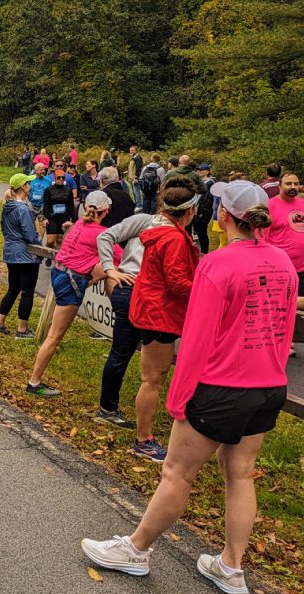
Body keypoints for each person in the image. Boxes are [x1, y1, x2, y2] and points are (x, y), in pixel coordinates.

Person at [81, 180, 296, 594]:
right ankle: (231, 566)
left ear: (224, 215)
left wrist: (179, 397)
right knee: (241, 473)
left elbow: (197, 339)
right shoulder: (284, 262)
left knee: (177, 472)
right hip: (268, 384)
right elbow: (286, 329)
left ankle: (136, 549)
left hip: (220, 385)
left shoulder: (218, 264)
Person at [127, 176, 202, 462]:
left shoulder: (164, 232)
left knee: (153, 377)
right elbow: (177, 282)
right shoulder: (173, 238)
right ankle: (144, 439)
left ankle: (147, 433)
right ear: (191, 210)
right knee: (153, 379)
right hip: (159, 313)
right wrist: (207, 287)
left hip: (151, 308)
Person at [25, 191, 119, 397]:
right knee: (54, 336)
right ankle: (34, 382)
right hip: (72, 282)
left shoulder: (78, 225)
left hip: (59, 273)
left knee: (53, 333)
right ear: (107, 210)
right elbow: (120, 259)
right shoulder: (103, 234)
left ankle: (35, 379)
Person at [95, 210, 157, 429]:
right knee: (129, 355)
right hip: (132, 288)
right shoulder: (145, 220)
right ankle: (109, 408)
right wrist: (109, 268)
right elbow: (105, 236)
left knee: (126, 353)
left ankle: (108, 408)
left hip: (142, 292)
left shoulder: (178, 230)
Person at [265, 172, 304, 315]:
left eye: (296, 184)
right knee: (282, 305)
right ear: (280, 185)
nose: (293, 187)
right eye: (288, 184)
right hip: (280, 267)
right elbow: (264, 238)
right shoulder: (270, 206)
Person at [0, 173, 43, 338]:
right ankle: (22, 329)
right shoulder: (23, 209)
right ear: (23, 187)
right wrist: (40, 242)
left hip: (10, 252)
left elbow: (3, 228)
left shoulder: (6, 207)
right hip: (25, 255)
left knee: (13, 288)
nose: (31, 186)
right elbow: (30, 234)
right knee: (27, 291)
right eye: (29, 184)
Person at [42, 169, 79, 247]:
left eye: (63, 177)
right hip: (52, 217)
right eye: (59, 177)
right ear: (55, 178)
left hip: (64, 218)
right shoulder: (48, 190)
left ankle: (55, 258)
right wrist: (44, 218)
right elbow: (46, 205)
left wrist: (74, 220)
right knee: (50, 240)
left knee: (60, 240)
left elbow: (71, 206)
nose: (61, 179)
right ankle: (47, 255)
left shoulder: (68, 190)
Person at [193, 164, 216, 253]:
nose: (198, 172)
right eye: (198, 170)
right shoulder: (199, 182)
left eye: (201, 170)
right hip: (197, 209)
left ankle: (204, 252)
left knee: (202, 231)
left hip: (204, 210)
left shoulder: (210, 183)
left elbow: (208, 199)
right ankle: (203, 251)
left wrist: (201, 211)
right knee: (199, 231)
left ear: (207, 172)